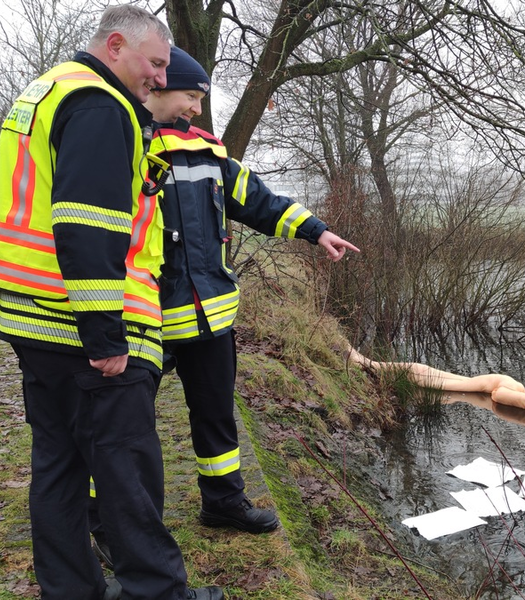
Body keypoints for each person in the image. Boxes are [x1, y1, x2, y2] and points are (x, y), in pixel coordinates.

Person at [88, 45, 360, 563]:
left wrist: (316, 231)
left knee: (215, 415)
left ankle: (224, 502)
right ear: (158, 87)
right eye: (191, 96)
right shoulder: (122, 141)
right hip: (143, 316)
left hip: (209, 314)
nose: (196, 107)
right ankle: (101, 521)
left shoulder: (211, 153)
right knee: (122, 426)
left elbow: (258, 201)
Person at [0, 6, 223, 600]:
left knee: (57, 465)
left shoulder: (44, 91)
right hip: (80, 326)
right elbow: (87, 225)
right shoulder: (100, 104)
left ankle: (71, 591)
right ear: (116, 45)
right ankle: (157, 592)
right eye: (154, 63)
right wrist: (105, 338)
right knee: (126, 467)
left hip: (33, 314)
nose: (159, 76)